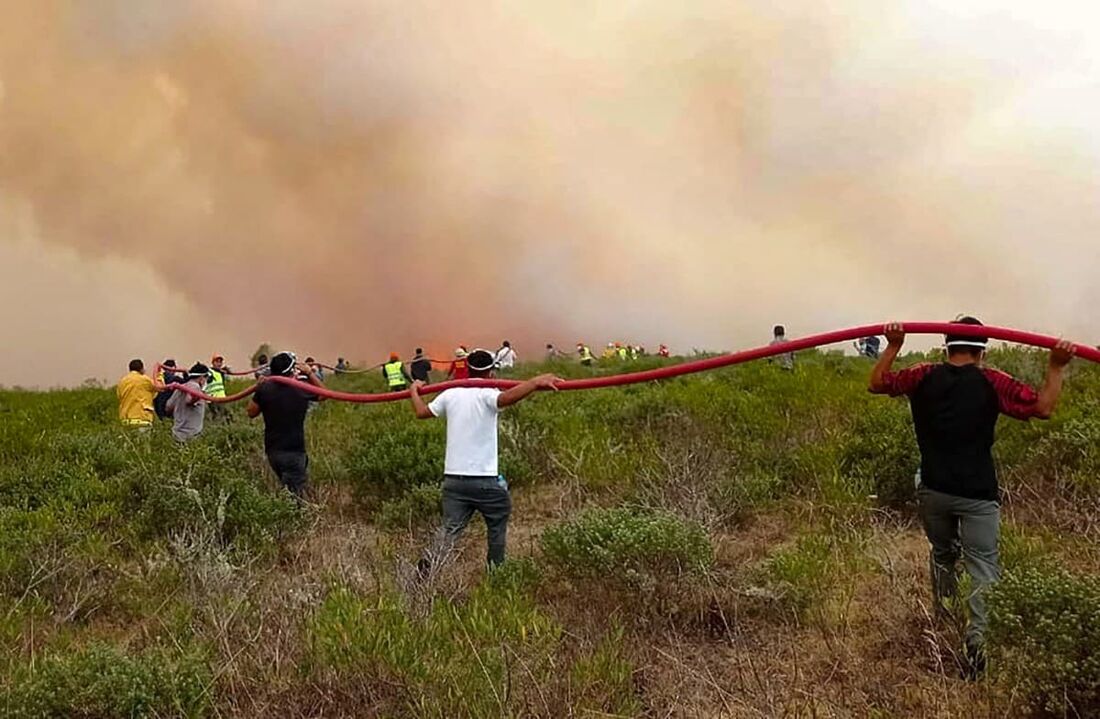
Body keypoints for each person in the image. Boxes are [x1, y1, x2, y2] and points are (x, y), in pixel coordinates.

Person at [869, 317, 1075, 673]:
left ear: (947, 344)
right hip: (978, 494)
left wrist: (893, 346)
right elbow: (1042, 407)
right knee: (982, 566)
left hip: (934, 489)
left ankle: (945, 622)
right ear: (983, 350)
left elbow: (877, 383)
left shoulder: (922, 374)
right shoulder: (992, 381)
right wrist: (1056, 367)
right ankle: (977, 647)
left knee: (943, 554)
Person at [409, 349, 561, 572]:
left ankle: (426, 572)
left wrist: (414, 391)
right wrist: (535, 382)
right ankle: (496, 574)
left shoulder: (451, 393)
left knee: (449, 531)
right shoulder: (488, 393)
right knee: (497, 528)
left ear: (467, 368)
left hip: (454, 480)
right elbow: (507, 398)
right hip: (485, 481)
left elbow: (422, 412)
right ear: (491, 372)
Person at [246, 351, 325, 499]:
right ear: (291, 371)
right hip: (294, 452)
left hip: (273, 452)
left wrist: (258, 388)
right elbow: (324, 394)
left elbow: (251, 412)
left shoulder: (265, 389)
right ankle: (291, 518)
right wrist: (310, 373)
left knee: (288, 487)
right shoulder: (301, 388)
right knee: (295, 497)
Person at [166, 363, 210, 442]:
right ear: (202, 377)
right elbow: (189, 400)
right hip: (192, 436)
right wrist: (199, 396)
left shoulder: (180, 387)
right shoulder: (196, 387)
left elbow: (168, 407)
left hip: (177, 435)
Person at [117, 359, 156, 429]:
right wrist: (160, 375)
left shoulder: (122, 381)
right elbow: (159, 387)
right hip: (142, 418)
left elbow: (119, 397)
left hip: (126, 420)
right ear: (141, 369)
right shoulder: (145, 380)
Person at [206, 355, 229, 422]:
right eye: (217, 362)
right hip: (213, 399)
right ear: (213, 363)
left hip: (222, 398)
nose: (219, 364)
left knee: (226, 415)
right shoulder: (210, 372)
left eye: (220, 362)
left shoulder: (221, 373)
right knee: (217, 416)